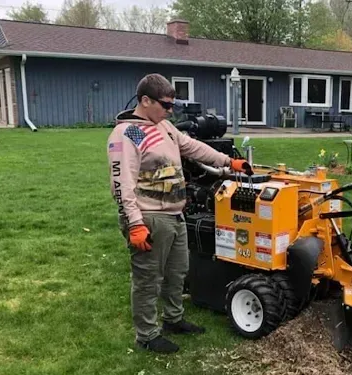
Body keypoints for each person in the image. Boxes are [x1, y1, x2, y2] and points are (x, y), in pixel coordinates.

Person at [107, 73, 252, 354]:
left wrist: (228, 161)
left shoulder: (164, 127)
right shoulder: (128, 133)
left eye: (172, 105)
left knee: (177, 272)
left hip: (175, 214)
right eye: (165, 105)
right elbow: (121, 184)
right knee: (148, 278)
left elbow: (193, 148)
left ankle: (173, 319)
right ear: (145, 100)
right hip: (149, 217)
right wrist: (134, 224)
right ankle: (147, 335)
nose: (170, 111)